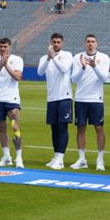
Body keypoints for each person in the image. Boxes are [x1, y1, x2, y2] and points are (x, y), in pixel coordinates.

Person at [70, 34, 110, 170]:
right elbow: (74, 79)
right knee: (81, 128)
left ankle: (100, 160)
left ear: (96, 44)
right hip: (81, 98)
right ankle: (82, 159)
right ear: (84, 43)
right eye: (88, 42)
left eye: (93, 42)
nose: (90, 44)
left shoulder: (104, 58)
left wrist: (94, 67)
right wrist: (82, 67)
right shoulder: (77, 57)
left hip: (96, 99)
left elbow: (104, 78)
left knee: (99, 128)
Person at [37, 33, 73, 170]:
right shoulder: (44, 58)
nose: (56, 44)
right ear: (50, 43)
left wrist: (54, 58)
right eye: (54, 42)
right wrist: (48, 58)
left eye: (58, 42)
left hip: (64, 96)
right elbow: (40, 72)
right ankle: (56, 155)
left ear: (62, 43)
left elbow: (64, 69)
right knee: (54, 128)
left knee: (63, 127)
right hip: (51, 97)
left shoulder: (67, 55)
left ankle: (61, 158)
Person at [0, 38, 24, 168]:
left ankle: (19, 157)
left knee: (15, 127)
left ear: (9, 47)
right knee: (2, 128)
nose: (2, 49)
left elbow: (17, 77)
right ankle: (7, 156)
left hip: (11, 99)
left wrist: (6, 65)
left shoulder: (17, 60)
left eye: (5, 46)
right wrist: (0, 67)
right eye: (1, 46)